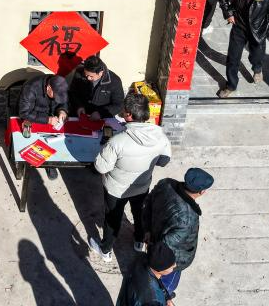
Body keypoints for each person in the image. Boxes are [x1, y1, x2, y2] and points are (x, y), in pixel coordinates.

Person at [89, 93, 172, 262]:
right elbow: (164, 161)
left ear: (128, 115)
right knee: (139, 214)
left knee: (113, 219)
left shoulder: (117, 142)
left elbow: (101, 167)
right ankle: (139, 241)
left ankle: (106, 250)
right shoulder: (161, 137)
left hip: (116, 190)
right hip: (142, 186)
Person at [142, 167, 213, 298]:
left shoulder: (166, 183)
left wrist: (147, 229)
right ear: (202, 191)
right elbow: (166, 247)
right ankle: (163, 296)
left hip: (153, 235)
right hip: (172, 259)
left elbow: (148, 202)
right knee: (166, 286)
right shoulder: (188, 220)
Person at [216, 0, 269, 98]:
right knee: (233, 58)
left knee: (256, 56)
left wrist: (265, 32)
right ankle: (231, 85)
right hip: (239, 28)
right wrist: (228, 13)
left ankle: (257, 69)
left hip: (257, 31)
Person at [69, 56, 124, 121]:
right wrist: (79, 106)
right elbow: (73, 93)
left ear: (101, 73)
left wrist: (101, 113)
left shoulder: (114, 81)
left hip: (103, 118)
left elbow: (119, 105)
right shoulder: (79, 72)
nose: (88, 78)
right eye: (86, 75)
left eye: (91, 76)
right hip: (81, 115)